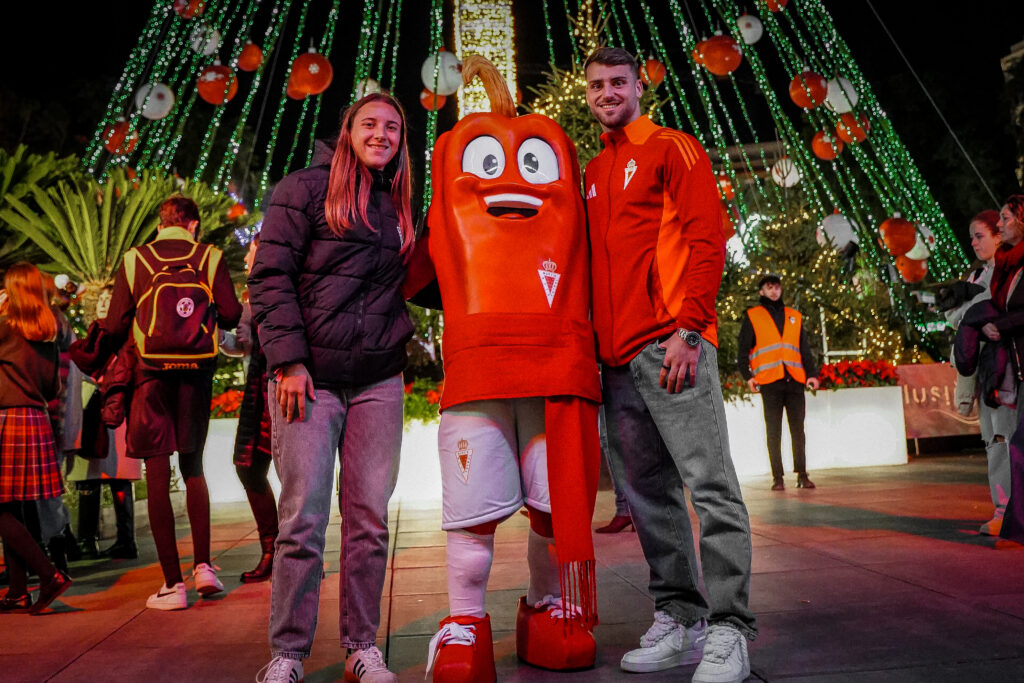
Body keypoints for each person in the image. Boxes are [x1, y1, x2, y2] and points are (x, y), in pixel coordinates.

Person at [404, 56, 602, 682]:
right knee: (473, 509)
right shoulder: (443, 216)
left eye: (534, 163)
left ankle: (547, 606)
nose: (512, 180)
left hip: (556, 373)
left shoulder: (580, 211)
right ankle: (465, 620)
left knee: (554, 508)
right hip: (478, 374)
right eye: (487, 163)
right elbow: (403, 273)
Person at [583, 47, 757, 681]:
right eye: (598, 84)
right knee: (648, 495)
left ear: (637, 86)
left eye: (618, 82)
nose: (607, 92)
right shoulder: (593, 171)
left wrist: (690, 329)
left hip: (670, 345)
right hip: (615, 359)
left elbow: (709, 237)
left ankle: (732, 628)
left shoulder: (672, 147)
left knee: (710, 488)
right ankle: (680, 616)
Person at [248, 92, 415, 683]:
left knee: (369, 519)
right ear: (347, 131)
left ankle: (361, 647)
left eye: (392, 126)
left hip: (377, 378)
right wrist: (288, 362)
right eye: (369, 123)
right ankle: (288, 654)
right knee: (303, 519)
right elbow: (270, 279)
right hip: (308, 380)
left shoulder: (401, 200)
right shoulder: (303, 188)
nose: (381, 134)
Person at [99, 195, 241, 609]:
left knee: (156, 473)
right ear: (193, 224)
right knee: (193, 467)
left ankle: (172, 586)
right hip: (194, 377)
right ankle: (203, 568)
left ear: (160, 224)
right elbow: (230, 314)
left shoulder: (135, 260)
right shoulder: (209, 257)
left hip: (149, 378)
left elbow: (115, 324)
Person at [0, 263, 73, 614]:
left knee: (3, 509)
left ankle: (48, 575)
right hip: (36, 417)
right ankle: (17, 591)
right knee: (17, 507)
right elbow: (52, 387)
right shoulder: (48, 332)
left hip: (7, 418)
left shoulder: (4, 327)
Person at [943, 211, 1013, 535]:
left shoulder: (1006, 271)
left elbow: (983, 306)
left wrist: (965, 315)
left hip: (1007, 369)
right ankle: (1003, 510)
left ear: (999, 235)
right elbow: (959, 315)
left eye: (979, 235)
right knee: (994, 441)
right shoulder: (979, 275)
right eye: (971, 236)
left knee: (1005, 439)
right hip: (988, 369)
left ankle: (1008, 512)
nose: (973, 242)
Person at [67, 284, 141, 559]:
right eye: (101, 298)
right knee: (91, 478)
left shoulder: (117, 334)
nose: (103, 302)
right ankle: (91, 538)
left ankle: (122, 539)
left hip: (114, 407)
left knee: (117, 477)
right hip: (96, 408)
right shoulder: (99, 332)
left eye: (110, 298)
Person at [220, 235, 278, 583]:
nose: (244, 261)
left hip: (283, 386)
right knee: (249, 466)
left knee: (293, 474)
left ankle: (287, 551)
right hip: (261, 391)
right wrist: (212, 334)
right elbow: (242, 345)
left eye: (250, 253)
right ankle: (273, 548)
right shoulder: (251, 297)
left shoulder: (283, 288)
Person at [737, 274, 821, 491]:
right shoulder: (753, 316)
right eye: (769, 287)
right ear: (761, 291)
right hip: (770, 381)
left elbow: (804, 349)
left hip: (794, 380)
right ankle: (778, 477)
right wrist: (748, 377)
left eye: (777, 287)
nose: (774, 291)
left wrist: (811, 374)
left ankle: (802, 475)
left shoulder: (794, 316)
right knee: (773, 431)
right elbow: (742, 350)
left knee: (798, 430)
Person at [977, 194, 1024, 545]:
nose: (1002, 223)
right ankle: (1007, 513)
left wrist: (1001, 325)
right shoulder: (1004, 268)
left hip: (1013, 363)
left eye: (1006, 218)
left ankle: (1007, 513)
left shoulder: (1012, 266)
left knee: (1012, 442)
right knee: (1003, 442)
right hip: (1004, 367)